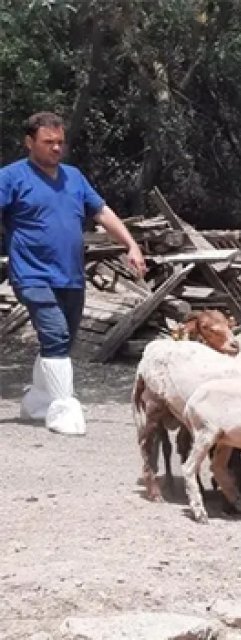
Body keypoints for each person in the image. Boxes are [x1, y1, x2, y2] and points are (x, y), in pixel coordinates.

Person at [1, 112, 146, 436]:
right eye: (48, 142)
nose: (56, 149)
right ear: (29, 142)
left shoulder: (74, 177)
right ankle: (63, 407)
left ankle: (38, 399)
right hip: (32, 274)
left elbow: (102, 212)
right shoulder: (11, 177)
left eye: (60, 143)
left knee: (61, 342)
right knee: (55, 336)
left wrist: (131, 245)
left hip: (70, 275)